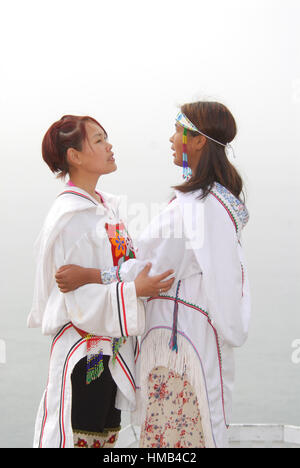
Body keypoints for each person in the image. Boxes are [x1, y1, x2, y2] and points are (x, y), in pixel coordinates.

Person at [55, 101, 251, 448]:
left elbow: (145, 270)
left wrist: (89, 274)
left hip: (175, 348)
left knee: (169, 439)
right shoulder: (219, 202)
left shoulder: (194, 207)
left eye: (179, 130)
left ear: (199, 140)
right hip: (192, 341)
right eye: (98, 140)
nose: (172, 138)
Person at [28, 115, 175, 448]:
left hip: (111, 350)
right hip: (87, 353)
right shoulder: (70, 219)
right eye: (98, 140)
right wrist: (133, 290)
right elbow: (77, 301)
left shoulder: (104, 208)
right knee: (81, 436)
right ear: (74, 156)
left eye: (106, 138)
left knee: (104, 439)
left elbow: (122, 264)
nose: (109, 146)